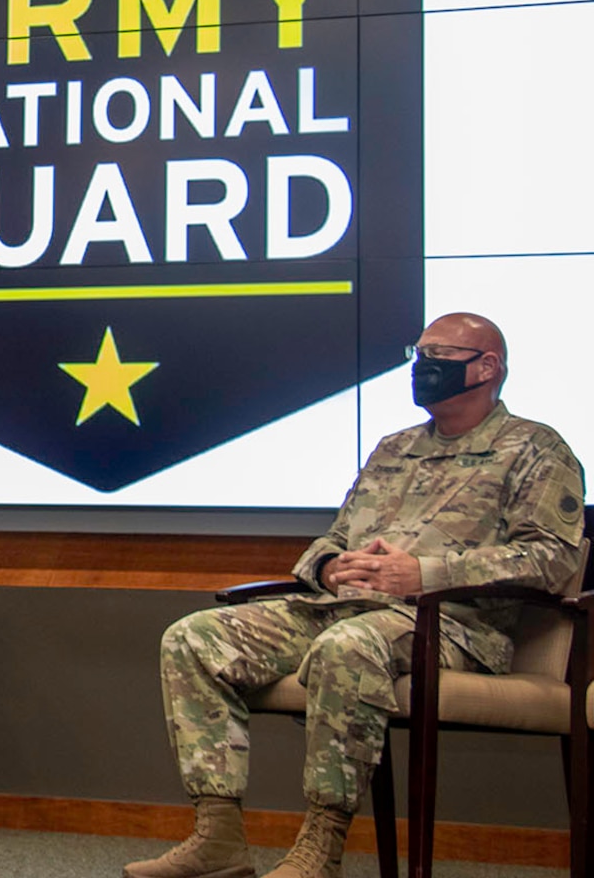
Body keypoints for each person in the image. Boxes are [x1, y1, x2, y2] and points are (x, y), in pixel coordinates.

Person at [125, 312, 585, 878]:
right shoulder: (394, 449)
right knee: (194, 638)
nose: (422, 367)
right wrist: (329, 566)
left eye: (438, 356)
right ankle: (218, 838)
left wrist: (427, 574)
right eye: (418, 354)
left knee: (349, 647)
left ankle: (322, 847)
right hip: (347, 607)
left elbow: (552, 558)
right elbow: (334, 538)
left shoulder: (536, 449)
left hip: (453, 629)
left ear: (487, 367)